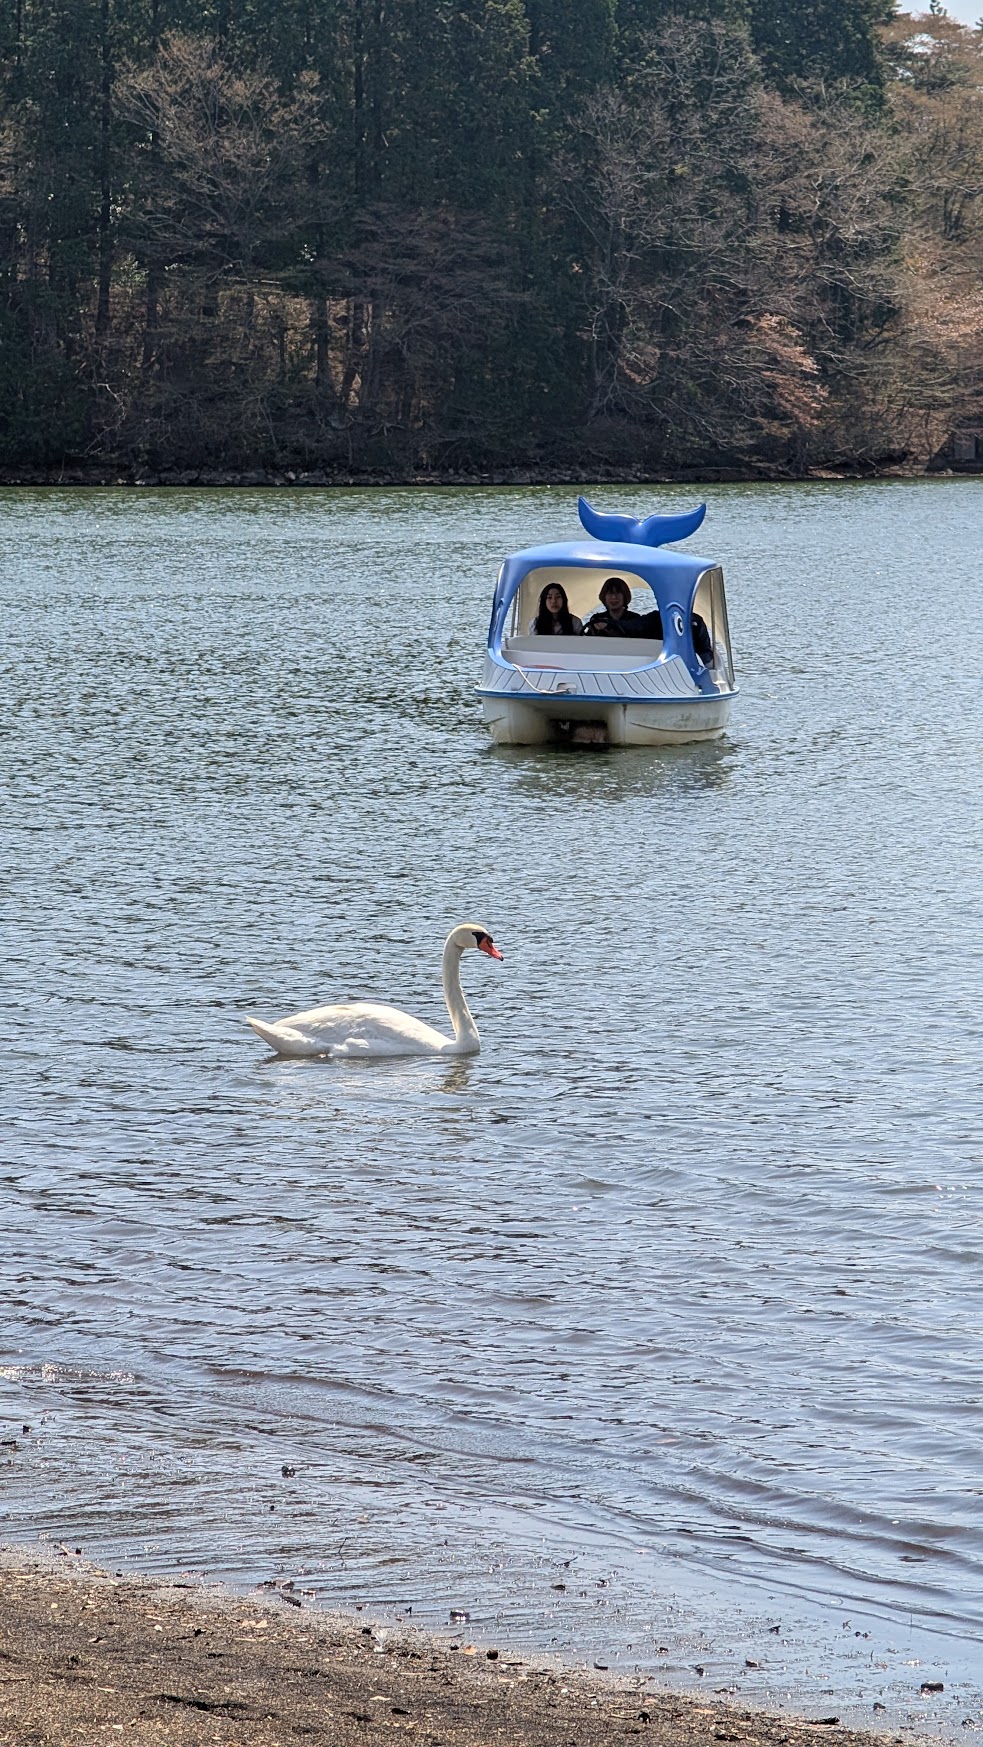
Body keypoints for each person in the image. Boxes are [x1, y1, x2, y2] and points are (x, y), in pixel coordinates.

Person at [582, 577, 648, 637]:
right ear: (604, 597)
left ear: (625, 596)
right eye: (610, 593)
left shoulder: (635, 618)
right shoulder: (596, 619)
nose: (614, 597)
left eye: (618, 593)